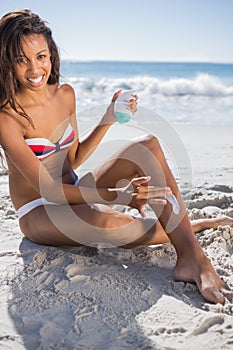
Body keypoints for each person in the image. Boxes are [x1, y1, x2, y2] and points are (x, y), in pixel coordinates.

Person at [0, 9, 232, 305]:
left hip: (78, 192)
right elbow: (50, 190)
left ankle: (191, 257)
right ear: (7, 61)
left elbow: (75, 157)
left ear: (51, 55)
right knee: (113, 223)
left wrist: (107, 119)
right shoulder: (7, 117)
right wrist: (117, 196)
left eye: (41, 56)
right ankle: (192, 227)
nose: (35, 69)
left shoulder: (65, 94)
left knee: (147, 145)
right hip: (40, 210)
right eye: (22, 59)